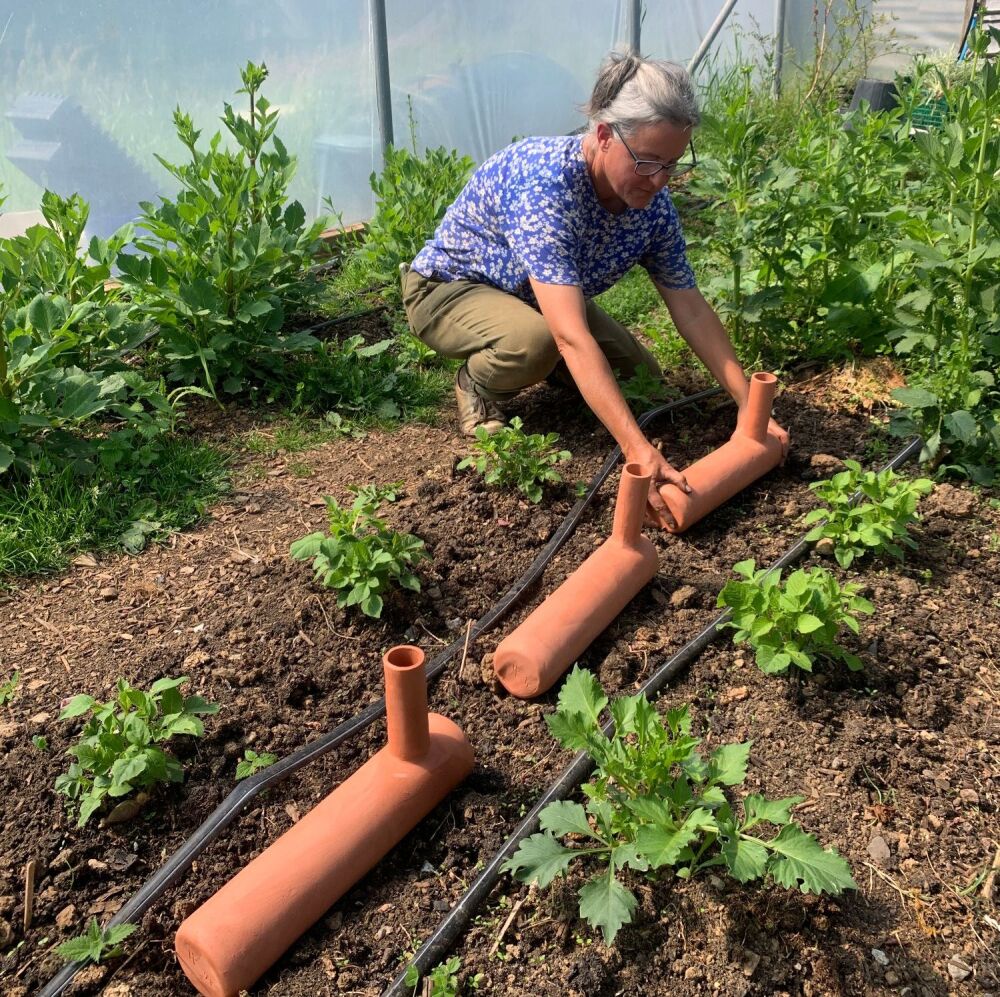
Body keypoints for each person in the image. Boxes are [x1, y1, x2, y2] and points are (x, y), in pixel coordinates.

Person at [402, 51, 789, 529]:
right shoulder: (547, 187)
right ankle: (478, 384)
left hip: (534, 294)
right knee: (539, 342)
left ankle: (550, 370)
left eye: (671, 164)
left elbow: (689, 307)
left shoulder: (653, 205)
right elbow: (569, 336)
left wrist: (750, 405)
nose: (659, 180)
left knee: (643, 383)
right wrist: (637, 451)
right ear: (604, 135)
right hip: (452, 289)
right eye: (647, 162)